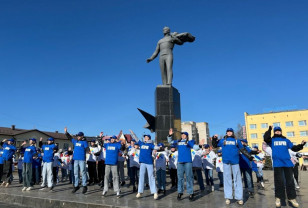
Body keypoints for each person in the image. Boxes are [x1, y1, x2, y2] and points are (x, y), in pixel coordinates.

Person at [264, 126, 306, 208]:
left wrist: (301, 145)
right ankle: (278, 198)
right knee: (279, 182)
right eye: (276, 131)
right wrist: (269, 129)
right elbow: (266, 138)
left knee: (290, 181)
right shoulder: (272, 140)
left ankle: (292, 198)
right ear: (274, 132)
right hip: (277, 164)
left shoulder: (286, 140)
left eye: (279, 131)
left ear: (281, 132)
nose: (278, 132)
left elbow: (294, 148)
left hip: (287, 164)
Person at [212, 128, 253, 205]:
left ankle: (239, 198)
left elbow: (242, 149)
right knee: (227, 179)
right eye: (228, 132)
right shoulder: (223, 140)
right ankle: (228, 197)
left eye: (230, 132)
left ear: (233, 133)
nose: (229, 133)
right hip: (226, 162)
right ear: (226, 133)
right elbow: (214, 145)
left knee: (237, 179)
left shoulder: (236, 141)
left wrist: (249, 156)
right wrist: (214, 138)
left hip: (235, 162)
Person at [167, 129, 195, 201]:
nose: (182, 135)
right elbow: (170, 142)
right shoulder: (178, 142)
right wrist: (170, 135)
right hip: (180, 162)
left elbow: (194, 146)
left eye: (184, 134)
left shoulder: (190, 142)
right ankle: (180, 192)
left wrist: (200, 145)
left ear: (187, 136)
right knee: (180, 178)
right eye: (182, 134)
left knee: (189, 177)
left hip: (188, 162)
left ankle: (190, 192)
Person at [65, 127, 89, 194]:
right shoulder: (75, 141)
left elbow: (87, 148)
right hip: (75, 160)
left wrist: (88, 151)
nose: (78, 137)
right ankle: (76, 185)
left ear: (82, 136)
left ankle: (84, 186)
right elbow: (70, 138)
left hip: (82, 159)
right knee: (75, 173)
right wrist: (66, 133)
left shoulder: (84, 142)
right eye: (77, 136)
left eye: (79, 136)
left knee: (83, 172)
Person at [135, 135, 159, 200]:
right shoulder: (141, 143)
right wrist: (132, 133)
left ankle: (154, 192)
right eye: (144, 137)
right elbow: (136, 138)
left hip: (149, 162)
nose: (145, 138)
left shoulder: (150, 144)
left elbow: (156, 148)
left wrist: (158, 147)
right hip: (142, 162)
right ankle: (140, 192)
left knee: (151, 177)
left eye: (146, 137)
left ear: (149, 138)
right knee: (141, 177)